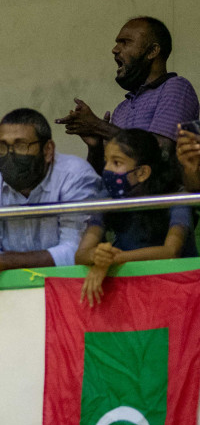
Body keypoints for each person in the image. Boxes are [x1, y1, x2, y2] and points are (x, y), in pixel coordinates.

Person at [0, 108, 102, 295]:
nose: (10, 154)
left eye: (21, 145)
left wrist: (2, 262)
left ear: (47, 150)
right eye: (3, 147)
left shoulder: (75, 176)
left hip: (68, 291)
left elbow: (75, 253)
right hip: (5, 292)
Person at [58, 16, 199, 170]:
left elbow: (161, 154)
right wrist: (96, 145)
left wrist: (100, 127)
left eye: (125, 42)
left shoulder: (176, 87)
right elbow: (102, 179)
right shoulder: (122, 109)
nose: (115, 49)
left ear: (152, 51)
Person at [77, 128, 194, 306]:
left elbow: (170, 251)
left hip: (179, 292)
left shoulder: (175, 198)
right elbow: (81, 255)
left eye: (116, 163)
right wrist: (98, 256)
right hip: (131, 293)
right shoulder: (104, 198)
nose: (106, 169)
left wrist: (112, 260)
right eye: (106, 161)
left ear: (142, 173)